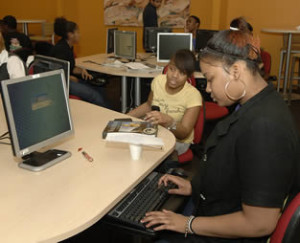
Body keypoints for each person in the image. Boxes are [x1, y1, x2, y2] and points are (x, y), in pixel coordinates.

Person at [140, 23, 300, 242]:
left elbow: (259, 223)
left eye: (211, 79)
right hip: (213, 205)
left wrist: (186, 224)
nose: (207, 88)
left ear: (235, 71)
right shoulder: (253, 104)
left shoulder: (265, 127)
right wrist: (193, 187)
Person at [128, 49, 202, 163]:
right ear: (168, 67)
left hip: (178, 141)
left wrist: (169, 122)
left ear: (188, 76)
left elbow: (184, 133)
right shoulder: (158, 81)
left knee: (140, 151)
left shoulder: (193, 95)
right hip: (156, 131)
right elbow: (149, 105)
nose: (174, 76)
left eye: (182, 73)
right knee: (128, 138)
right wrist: (124, 117)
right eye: (172, 69)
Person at [50, 17, 108, 108]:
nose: (79, 35)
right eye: (77, 32)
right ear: (70, 35)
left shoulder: (68, 46)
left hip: (69, 79)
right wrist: (72, 78)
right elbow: (58, 72)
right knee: (94, 95)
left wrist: (81, 71)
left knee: (99, 88)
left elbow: (71, 67)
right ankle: (107, 115)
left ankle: (106, 110)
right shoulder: (61, 49)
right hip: (63, 82)